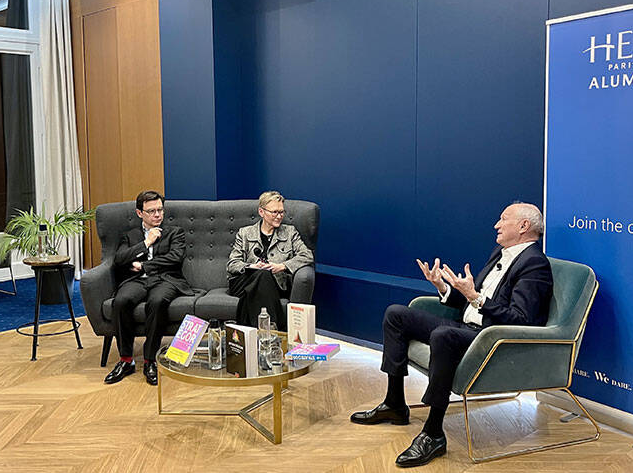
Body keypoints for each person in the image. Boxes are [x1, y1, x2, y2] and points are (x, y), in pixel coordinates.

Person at [350, 202, 553, 468]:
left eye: (503, 219)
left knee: (443, 336)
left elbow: (522, 319)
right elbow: (471, 301)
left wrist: (476, 297)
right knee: (396, 314)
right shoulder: (499, 253)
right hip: (466, 327)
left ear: (524, 226)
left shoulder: (535, 264)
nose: (497, 225)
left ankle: (433, 433)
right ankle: (395, 404)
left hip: (490, 338)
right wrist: (444, 287)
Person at [105, 191, 193, 386]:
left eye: (160, 210)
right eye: (151, 211)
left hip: (165, 280)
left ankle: (150, 360)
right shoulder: (130, 235)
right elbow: (120, 259)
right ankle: (126, 360)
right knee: (121, 301)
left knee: (157, 301)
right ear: (139, 213)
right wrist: (147, 242)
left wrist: (144, 266)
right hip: (137, 281)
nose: (157, 215)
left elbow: (175, 258)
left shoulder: (175, 232)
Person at [226, 191, 314, 330]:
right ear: (261, 212)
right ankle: (275, 332)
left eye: (281, 212)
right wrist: (252, 266)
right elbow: (232, 264)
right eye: (274, 212)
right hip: (244, 282)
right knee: (262, 274)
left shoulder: (290, 233)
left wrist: (282, 266)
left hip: (275, 283)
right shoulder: (245, 233)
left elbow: (307, 255)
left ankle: (253, 332)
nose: (279, 216)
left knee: (264, 276)